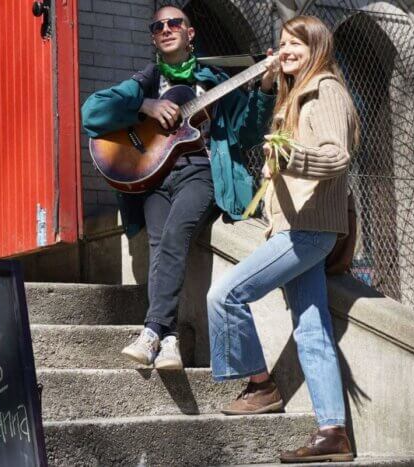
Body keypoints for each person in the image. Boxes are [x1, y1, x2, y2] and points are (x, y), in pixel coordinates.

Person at [81, 6, 277, 369]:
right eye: (158, 25)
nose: (166, 28)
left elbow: (247, 133)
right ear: (154, 37)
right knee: (158, 246)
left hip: (199, 173)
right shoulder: (147, 80)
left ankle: (153, 329)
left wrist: (265, 87)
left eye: (175, 23)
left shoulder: (215, 81)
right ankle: (170, 341)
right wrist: (146, 106)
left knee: (173, 237)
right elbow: (92, 112)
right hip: (154, 179)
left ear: (190, 33)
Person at [205, 15, 360, 463]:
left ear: (318, 48)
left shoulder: (325, 90)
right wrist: (272, 90)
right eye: (282, 43)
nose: (286, 50)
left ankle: (259, 384)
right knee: (312, 331)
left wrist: (292, 154)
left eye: (296, 44)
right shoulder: (296, 95)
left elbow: (336, 157)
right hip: (298, 227)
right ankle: (333, 432)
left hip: (310, 228)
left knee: (226, 294)